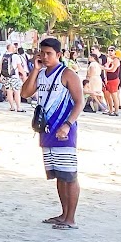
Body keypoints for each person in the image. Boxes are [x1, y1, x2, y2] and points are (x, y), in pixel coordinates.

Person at [22, 36, 84, 230]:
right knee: (58, 174)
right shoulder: (40, 73)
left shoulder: (68, 74)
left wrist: (67, 124)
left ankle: (71, 218)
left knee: (69, 175)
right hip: (46, 130)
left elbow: (79, 102)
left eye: (49, 54)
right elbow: (25, 93)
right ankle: (63, 213)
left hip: (63, 130)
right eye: (42, 53)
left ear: (59, 54)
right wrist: (35, 69)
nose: (45, 57)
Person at [102, 51, 121, 116]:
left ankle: (116, 111)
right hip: (109, 79)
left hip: (113, 79)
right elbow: (107, 67)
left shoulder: (116, 60)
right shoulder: (112, 60)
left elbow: (113, 70)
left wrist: (105, 68)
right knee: (108, 95)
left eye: (112, 52)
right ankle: (110, 110)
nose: (110, 53)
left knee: (114, 95)